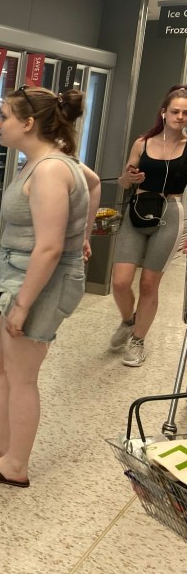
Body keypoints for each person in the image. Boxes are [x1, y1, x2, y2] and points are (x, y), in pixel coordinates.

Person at [0, 86, 100, 488]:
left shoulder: (51, 169)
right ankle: (0, 440)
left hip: (38, 281)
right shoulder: (44, 161)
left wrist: (23, 305)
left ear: (29, 123)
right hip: (17, 276)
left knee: (21, 375)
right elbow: (94, 183)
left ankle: (16, 463)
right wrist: (83, 233)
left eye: (3, 116)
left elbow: (50, 248)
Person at [109, 84, 187, 366]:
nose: (180, 117)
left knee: (150, 283)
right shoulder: (143, 142)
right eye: (175, 111)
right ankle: (128, 321)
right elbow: (122, 181)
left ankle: (139, 341)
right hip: (138, 210)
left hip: (170, 213)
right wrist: (131, 178)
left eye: (185, 113)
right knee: (120, 281)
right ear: (164, 113)